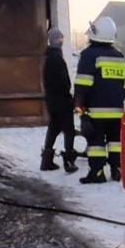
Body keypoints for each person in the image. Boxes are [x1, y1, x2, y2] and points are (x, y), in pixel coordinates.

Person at [73, 15, 125, 183]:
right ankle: (117, 170)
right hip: (117, 111)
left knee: (96, 142)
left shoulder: (89, 55)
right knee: (115, 141)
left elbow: (83, 84)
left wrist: (80, 109)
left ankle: (97, 173)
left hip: (95, 111)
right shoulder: (120, 58)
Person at [40, 27, 77, 173]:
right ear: (53, 40)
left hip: (51, 99)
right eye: (58, 38)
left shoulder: (49, 57)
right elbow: (63, 80)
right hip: (61, 99)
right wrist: (68, 92)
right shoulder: (56, 58)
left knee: (54, 127)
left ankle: (46, 160)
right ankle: (69, 161)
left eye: (62, 37)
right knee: (69, 129)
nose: (61, 40)